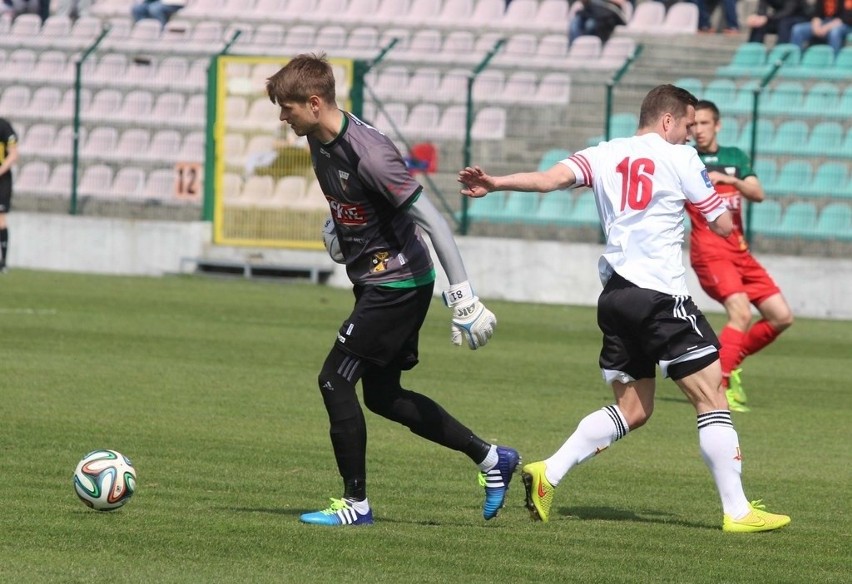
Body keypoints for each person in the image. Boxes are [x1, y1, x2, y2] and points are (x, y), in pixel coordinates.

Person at [457, 84, 790, 533]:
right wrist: (710, 203)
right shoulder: (682, 159)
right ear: (668, 120)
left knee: (634, 410)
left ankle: (548, 472)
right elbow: (723, 221)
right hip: (659, 296)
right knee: (712, 396)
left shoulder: (603, 153)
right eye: (688, 125)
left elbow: (548, 180)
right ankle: (737, 511)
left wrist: (495, 183)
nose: (692, 135)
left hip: (616, 297)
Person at [265, 53, 519, 527]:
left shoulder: (371, 153)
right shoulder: (319, 139)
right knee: (381, 396)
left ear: (314, 103)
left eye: (287, 108)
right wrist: (344, 230)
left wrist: (462, 294)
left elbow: (432, 221)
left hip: (398, 284)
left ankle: (356, 505)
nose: (283, 117)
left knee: (334, 379)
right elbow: (363, 205)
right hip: (377, 280)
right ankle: (491, 459)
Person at [688, 100, 793, 413]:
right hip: (710, 252)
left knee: (781, 316)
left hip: (741, 252)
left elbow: (758, 194)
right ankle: (720, 386)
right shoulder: (686, 158)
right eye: (693, 125)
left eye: (705, 123)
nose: (698, 131)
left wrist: (730, 180)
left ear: (717, 125)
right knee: (741, 314)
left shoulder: (734, 157)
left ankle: (727, 363)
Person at [0, 117, 19, 273]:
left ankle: (3, 262)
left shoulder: (4, 126)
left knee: (0, 217)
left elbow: (13, 155)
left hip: (2, 180)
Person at [745, 0, 810, 44]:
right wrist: (756, 17)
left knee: (784, 24)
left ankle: (780, 50)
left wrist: (767, 18)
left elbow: (788, 11)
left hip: (800, 17)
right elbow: (761, 10)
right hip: (780, 17)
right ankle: (753, 51)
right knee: (759, 24)